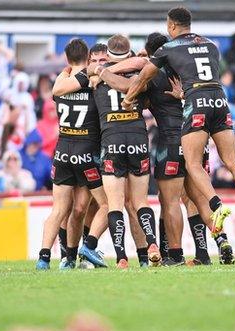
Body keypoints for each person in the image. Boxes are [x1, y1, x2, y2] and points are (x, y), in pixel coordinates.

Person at [123, 7, 235, 239]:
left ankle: (217, 205)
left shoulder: (168, 48)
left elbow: (145, 75)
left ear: (172, 26)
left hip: (197, 103)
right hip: (220, 100)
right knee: (232, 160)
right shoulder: (211, 46)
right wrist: (183, 94)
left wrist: (128, 99)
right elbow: (202, 75)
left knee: (193, 163)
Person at [87, 34, 161, 269]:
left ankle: (121, 258)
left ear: (107, 54)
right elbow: (142, 67)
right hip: (138, 139)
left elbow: (86, 71)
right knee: (141, 200)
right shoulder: (141, 72)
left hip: (112, 140)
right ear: (129, 53)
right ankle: (152, 244)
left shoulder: (94, 73)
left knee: (116, 203)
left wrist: (100, 71)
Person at [35, 39, 109, 270]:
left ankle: (44, 258)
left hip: (63, 151)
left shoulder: (62, 82)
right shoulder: (93, 82)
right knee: (99, 206)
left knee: (59, 210)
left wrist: (67, 71)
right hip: (86, 152)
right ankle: (84, 250)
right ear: (88, 58)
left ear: (66, 60)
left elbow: (57, 88)